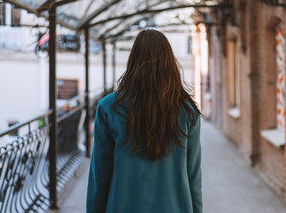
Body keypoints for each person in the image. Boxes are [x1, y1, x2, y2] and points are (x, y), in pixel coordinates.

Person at [86, 29, 202, 213]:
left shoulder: (108, 108)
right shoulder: (188, 112)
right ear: (169, 63)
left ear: (132, 62)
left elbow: (99, 176)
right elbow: (193, 177)